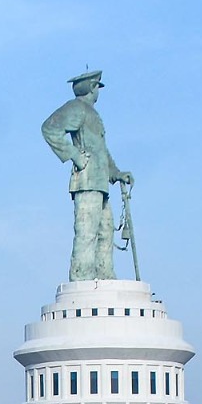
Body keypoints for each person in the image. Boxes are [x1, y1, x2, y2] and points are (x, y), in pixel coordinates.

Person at [41, 69, 134, 282]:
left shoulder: (92, 113)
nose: (98, 91)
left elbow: (101, 150)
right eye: (97, 87)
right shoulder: (76, 108)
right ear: (92, 88)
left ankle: (104, 274)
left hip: (100, 183)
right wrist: (74, 155)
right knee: (87, 231)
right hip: (86, 180)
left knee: (105, 231)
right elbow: (49, 128)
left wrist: (116, 173)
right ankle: (82, 276)